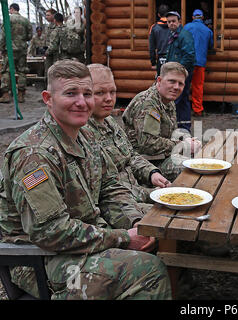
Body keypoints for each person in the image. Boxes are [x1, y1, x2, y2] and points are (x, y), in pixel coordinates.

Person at [0, 60, 171, 300]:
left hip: (82, 239)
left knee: (160, 234)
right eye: (71, 93)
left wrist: (136, 224)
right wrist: (122, 238)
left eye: (88, 94)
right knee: (147, 270)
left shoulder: (86, 135)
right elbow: (50, 232)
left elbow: (110, 188)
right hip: (40, 259)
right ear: (48, 98)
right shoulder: (34, 154)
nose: (82, 102)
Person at [86, 63, 171, 206]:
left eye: (112, 92)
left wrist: (151, 173)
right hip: (119, 204)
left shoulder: (109, 121)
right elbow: (107, 189)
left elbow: (130, 155)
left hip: (136, 192)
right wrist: (149, 193)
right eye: (100, 93)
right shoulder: (82, 133)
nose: (109, 98)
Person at [122, 62, 201, 182]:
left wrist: (187, 141)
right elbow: (148, 144)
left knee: (199, 159)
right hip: (142, 164)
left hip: (159, 157)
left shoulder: (168, 100)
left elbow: (169, 134)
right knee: (189, 167)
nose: (176, 87)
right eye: (172, 81)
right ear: (159, 80)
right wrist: (183, 145)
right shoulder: (148, 104)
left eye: (180, 83)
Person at [165, 11, 196, 133]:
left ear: (179, 22)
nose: (171, 23)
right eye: (169, 22)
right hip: (176, 73)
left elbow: (189, 56)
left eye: (173, 21)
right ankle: (183, 127)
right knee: (182, 100)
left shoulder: (184, 35)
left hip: (181, 74)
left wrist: (178, 72)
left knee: (175, 100)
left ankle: (175, 128)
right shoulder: (174, 35)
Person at [0, 3, 32, 103]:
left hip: (9, 49)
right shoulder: (26, 21)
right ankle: (21, 95)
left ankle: (6, 95)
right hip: (22, 49)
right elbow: (30, 36)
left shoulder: (7, 19)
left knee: (6, 71)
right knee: (22, 71)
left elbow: (3, 36)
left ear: (12, 9)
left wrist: (1, 48)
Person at [184, 9, 213, 117]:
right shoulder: (207, 30)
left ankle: (182, 109)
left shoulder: (186, 27)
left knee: (184, 85)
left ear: (192, 17)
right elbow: (210, 46)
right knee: (198, 86)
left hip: (187, 62)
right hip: (200, 62)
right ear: (202, 18)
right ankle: (197, 110)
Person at [149, 4, 170, 76]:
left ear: (158, 14)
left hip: (161, 58)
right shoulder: (174, 26)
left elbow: (151, 47)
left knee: (161, 80)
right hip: (172, 57)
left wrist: (153, 62)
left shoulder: (154, 27)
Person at [43, 8, 57, 81]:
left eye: (48, 15)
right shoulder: (48, 26)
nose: (46, 17)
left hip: (56, 53)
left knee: (55, 71)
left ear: (53, 15)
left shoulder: (57, 26)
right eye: (46, 15)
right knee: (48, 71)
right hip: (48, 53)